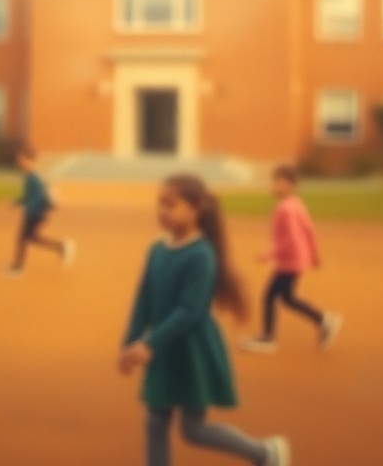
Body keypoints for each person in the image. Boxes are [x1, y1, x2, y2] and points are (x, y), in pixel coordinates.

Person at [119, 174, 291, 466]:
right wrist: (131, 340)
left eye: (170, 205)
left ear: (196, 207)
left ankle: (264, 453)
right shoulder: (157, 250)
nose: (162, 211)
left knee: (193, 430)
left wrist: (149, 343)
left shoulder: (201, 255)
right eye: (159, 204)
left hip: (191, 352)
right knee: (155, 423)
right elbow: (143, 298)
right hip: (161, 349)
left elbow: (190, 311)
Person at [240, 165, 342, 354]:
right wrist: (314, 254)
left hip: (289, 261)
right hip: (296, 259)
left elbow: (292, 238)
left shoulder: (284, 208)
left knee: (270, 297)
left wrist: (270, 254)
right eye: (273, 181)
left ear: (288, 184)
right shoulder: (296, 203)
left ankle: (268, 338)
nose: (273, 185)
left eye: (277, 182)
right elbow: (309, 230)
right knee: (287, 298)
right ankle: (323, 321)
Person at [3, 145, 75, 277]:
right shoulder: (31, 175)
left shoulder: (34, 178)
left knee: (22, 239)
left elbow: (40, 197)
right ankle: (62, 247)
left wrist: (30, 207)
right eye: (19, 160)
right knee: (31, 238)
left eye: (22, 159)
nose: (19, 162)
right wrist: (17, 202)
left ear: (29, 160)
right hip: (36, 213)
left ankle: (18, 268)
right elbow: (30, 195)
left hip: (35, 214)